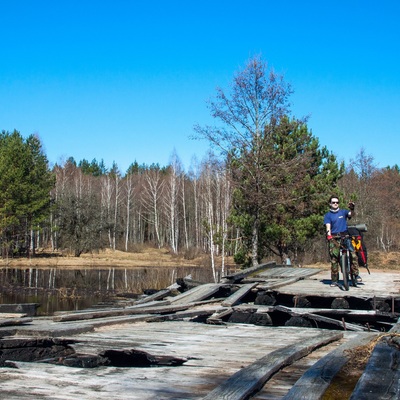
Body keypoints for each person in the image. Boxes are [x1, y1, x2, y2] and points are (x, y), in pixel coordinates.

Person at [323, 195, 361, 287]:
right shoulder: (328, 215)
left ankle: (356, 274)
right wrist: (329, 235)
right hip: (334, 238)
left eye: (337, 202)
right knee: (334, 259)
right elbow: (328, 227)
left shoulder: (343, 212)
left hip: (345, 237)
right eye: (333, 202)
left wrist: (352, 209)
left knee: (353, 254)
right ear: (330, 204)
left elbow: (351, 214)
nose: (335, 204)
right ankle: (334, 280)